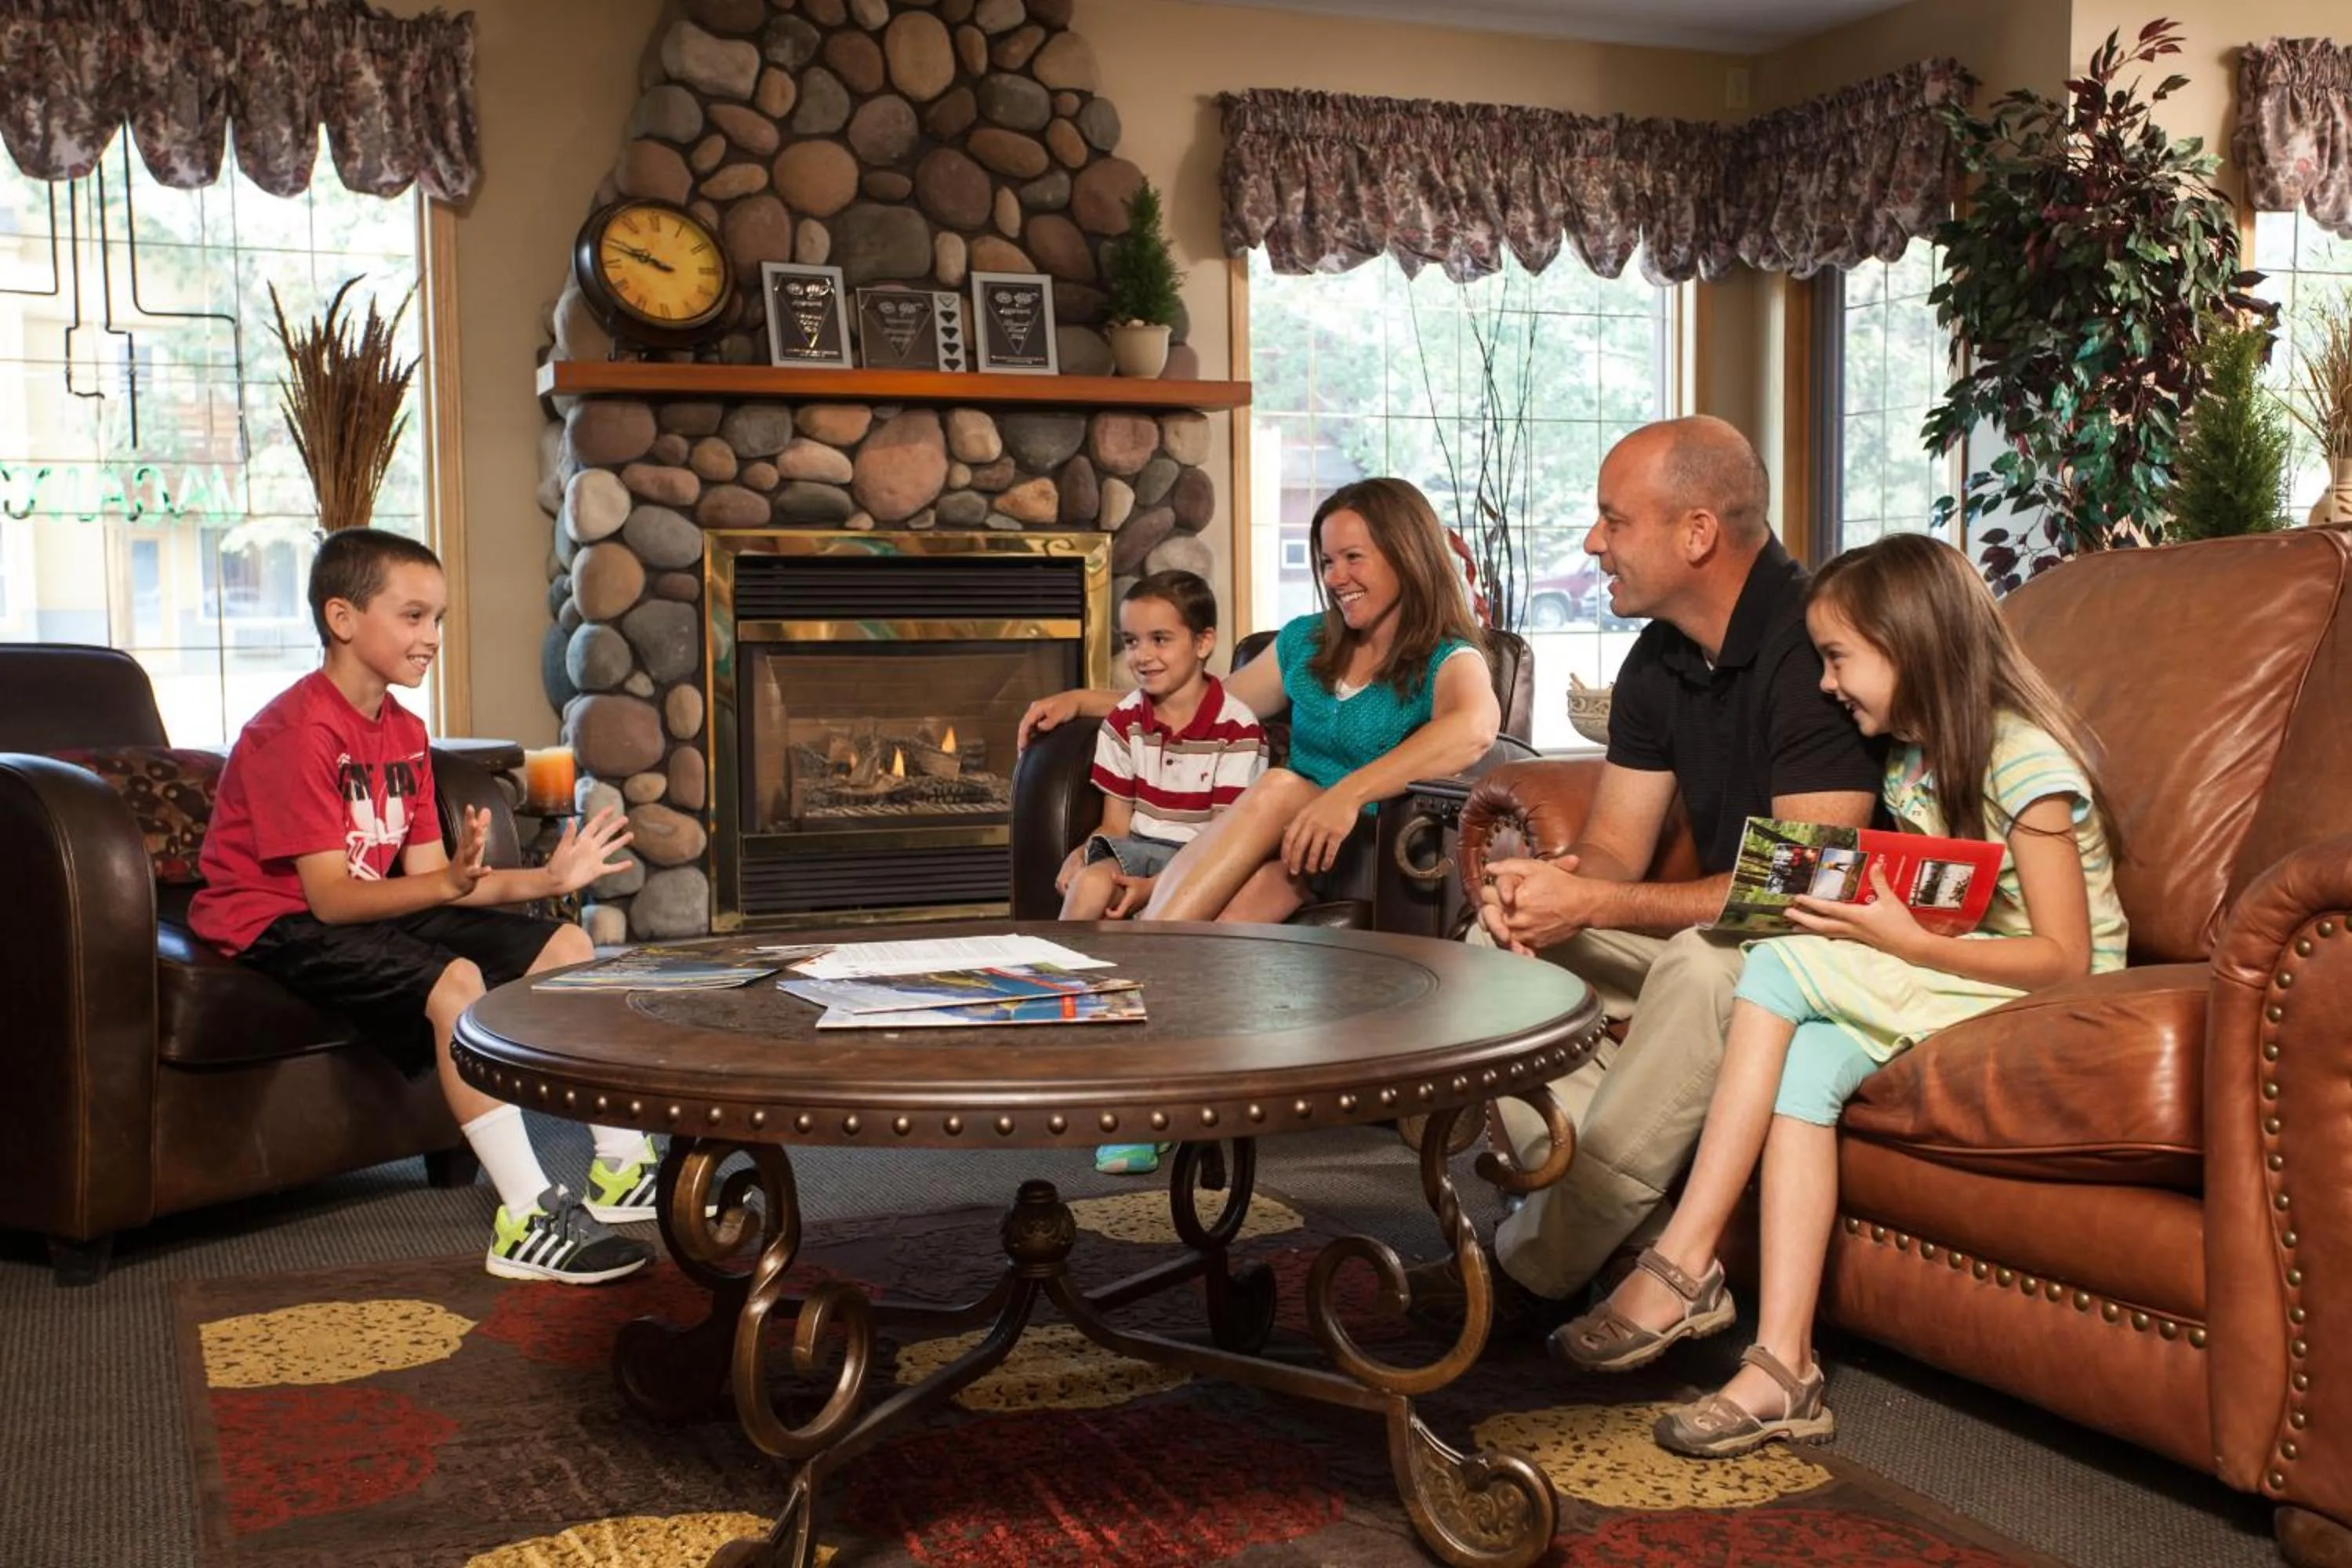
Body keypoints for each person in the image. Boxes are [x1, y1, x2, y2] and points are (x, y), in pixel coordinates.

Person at [1552, 532, 2127, 1458]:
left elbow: (2067, 958)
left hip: (2044, 985)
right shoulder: (1908, 760)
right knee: (1804, 1068)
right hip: (1960, 961)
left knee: (1775, 966)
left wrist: (1897, 936)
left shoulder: (2025, 763)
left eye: (1837, 657)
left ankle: (1685, 1257)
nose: (1826, 683)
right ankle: (1784, 1365)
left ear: (1914, 647)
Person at [1429, 416, 1882, 1329]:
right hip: (1726, 932)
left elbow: (1803, 886)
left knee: (1705, 964)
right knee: (1494, 944)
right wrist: (1550, 885)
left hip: (1823, 948)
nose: (1593, 541)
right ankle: (1640, 1240)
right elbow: (1613, 855)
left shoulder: (1816, 649)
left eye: (1612, 519)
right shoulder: (1658, 659)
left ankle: (1537, 1261)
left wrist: (1596, 896)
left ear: (1698, 533)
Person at [191, 529, 657, 1286]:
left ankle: (620, 1166)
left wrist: (546, 879)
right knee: (456, 982)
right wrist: (446, 886)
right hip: (274, 919)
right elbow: (332, 900)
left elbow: (438, 877)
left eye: (437, 619)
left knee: (567, 947)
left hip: (364, 903)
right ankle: (528, 1217)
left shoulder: (404, 731)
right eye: (413, 617)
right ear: (342, 619)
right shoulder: (293, 733)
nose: (432, 638)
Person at [1021, 476, 1501, 925]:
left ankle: (1143, 948)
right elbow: (1205, 703)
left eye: (1353, 558)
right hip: (1292, 854)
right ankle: (1117, 986)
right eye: (1328, 562)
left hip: (1371, 846)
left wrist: (1346, 795)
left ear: (1406, 555)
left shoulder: (1447, 657)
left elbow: (1473, 728)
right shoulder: (1307, 642)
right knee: (1215, 947)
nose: (1336, 578)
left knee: (1278, 787)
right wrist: (1084, 700)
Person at [1054, 570, 1268, 1175]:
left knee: (1133, 900)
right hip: (1141, 846)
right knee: (1092, 881)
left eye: (1160, 640)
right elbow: (1116, 827)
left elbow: (1229, 841)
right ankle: (1066, 1039)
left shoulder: (1237, 727)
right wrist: (1085, 854)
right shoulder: (1124, 721)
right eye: (1131, 642)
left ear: (1203, 642)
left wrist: (1152, 891)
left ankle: (1140, 1106)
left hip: (1206, 861)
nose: (1142, 657)